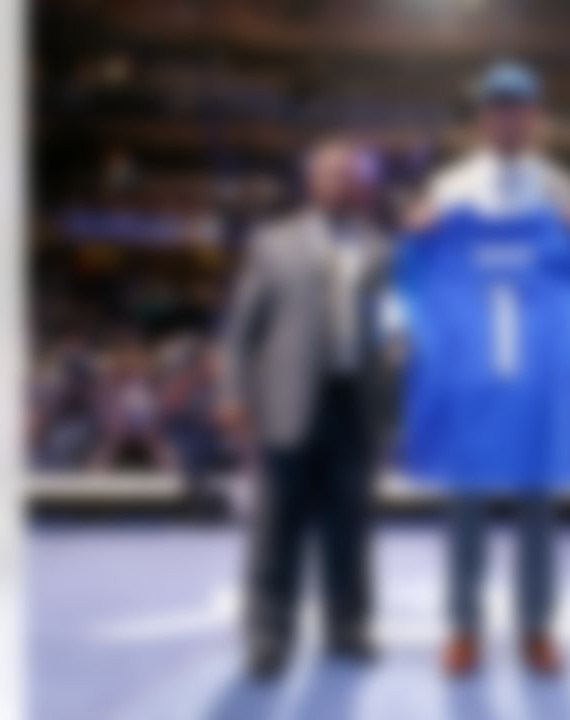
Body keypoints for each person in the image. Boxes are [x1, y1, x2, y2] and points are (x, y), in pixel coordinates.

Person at [411, 60, 570, 678]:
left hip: (537, 376)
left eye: (519, 108)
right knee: (465, 505)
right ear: (482, 119)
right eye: (497, 108)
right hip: (470, 375)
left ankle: (536, 626)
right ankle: (464, 627)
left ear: (536, 118)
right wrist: (416, 240)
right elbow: (418, 274)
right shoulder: (448, 189)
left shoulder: (565, 190)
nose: (508, 118)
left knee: (538, 505)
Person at [220, 139, 390, 679]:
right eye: (329, 173)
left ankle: (349, 627)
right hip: (287, 402)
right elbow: (240, 330)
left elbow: (393, 331)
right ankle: (268, 635)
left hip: (354, 401)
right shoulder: (272, 243)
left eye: (348, 173)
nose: (339, 182)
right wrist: (231, 392)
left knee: (351, 525)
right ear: (311, 181)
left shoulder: (381, 247)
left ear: (359, 183)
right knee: (276, 527)